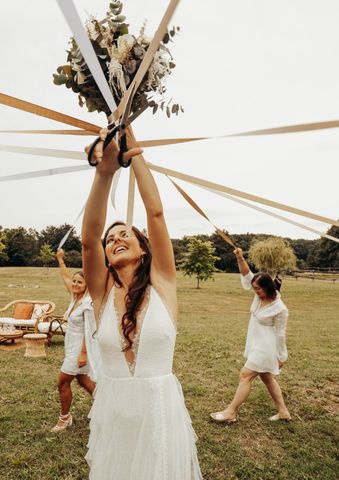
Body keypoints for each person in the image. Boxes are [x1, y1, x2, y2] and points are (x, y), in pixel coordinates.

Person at [82, 129, 202, 479]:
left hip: (160, 414)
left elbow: (156, 213)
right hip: (115, 414)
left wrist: (132, 149)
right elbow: (89, 239)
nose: (116, 238)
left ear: (144, 248)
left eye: (125, 235)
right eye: (111, 239)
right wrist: (104, 174)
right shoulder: (101, 293)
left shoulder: (163, 283)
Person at [210, 248, 291, 423]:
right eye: (254, 289)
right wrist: (240, 257)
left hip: (267, 347)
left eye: (258, 289)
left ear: (267, 288)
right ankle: (283, 411)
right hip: (256, 343)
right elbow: (247, 276)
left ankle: (230, 412)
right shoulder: (258, 297)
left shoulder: (280, 309)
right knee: (266, 377)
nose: (254, 291)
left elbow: (280, 334)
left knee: (245, 375)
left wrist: (282, 356)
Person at [50, 248, 98, 433]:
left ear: (87, 285)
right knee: (82, 379)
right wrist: (60, 260)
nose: (75, 284)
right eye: (75, 281)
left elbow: (90, 330)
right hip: (71, 346)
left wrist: (83, 354)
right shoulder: (75, 298)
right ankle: (107, 406)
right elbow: (65, 277)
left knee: (63, 382)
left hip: (80, 348)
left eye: (80, 282)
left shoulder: (88, 303)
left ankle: (65, 418)